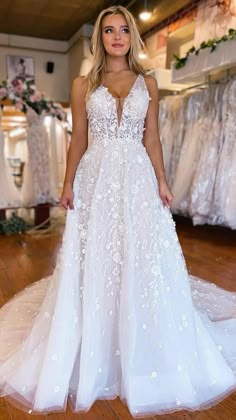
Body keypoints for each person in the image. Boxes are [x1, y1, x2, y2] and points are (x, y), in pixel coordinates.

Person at [0, 5, 235, 418]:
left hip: (138, 177)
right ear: (100, 39)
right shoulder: (81, 85)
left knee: (141, 252)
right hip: (96, 177)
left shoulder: (149, 82)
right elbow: (78, 142)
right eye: (109, 30)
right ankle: (96, 330)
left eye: (123, 30)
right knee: (99, 253)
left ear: (132, 37)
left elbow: (154, 139)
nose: (117, 37)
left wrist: (162, 181)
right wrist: (68, 182)